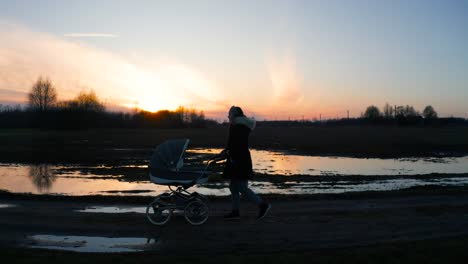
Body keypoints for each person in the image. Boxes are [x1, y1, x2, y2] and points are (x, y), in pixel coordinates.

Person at [216, 106, 271, 220]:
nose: (228, 116)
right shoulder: (240, 125)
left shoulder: (237, 126)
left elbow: (237, 144)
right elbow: (233, 143)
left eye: (229, 113)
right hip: (240, 158)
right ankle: (235, 211)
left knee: (241, 187)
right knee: (234, 186)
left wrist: (232, 157)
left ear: (235, 115)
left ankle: (263, 205)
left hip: (238, 159)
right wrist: (226, 151)